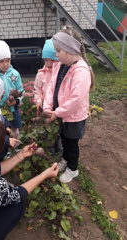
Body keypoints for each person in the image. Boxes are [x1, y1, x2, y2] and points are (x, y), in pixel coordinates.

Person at [43, 26, 94, 183]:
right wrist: (47, 107)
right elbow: (51, 87)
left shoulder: (81, 71)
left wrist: (57, 113)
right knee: (64, 139)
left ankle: (73, 169)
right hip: (61, 114)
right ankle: (65, 160)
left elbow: (76, 100)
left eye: (59, 51)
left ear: (70, 49)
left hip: (73, 117)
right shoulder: (60, 65)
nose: (56, 55)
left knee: (72, 144)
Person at [0, 40, 24, 148]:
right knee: (1, 129)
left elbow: (21, 90)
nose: (5, 64)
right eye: (1, 61)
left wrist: (16, 101)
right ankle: (4, 148)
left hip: (13, 109)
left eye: (8, 60)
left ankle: (15, 146)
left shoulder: (14, 74)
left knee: (15, 128)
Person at [34, 39, 62, 154]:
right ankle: (49, 145)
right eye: (46, 60)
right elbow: (37, 90)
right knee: (47, 126)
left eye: (53, 61)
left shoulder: (61, 73)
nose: (49, 63)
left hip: (59, 107)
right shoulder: (41, 74)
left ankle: (58, 144)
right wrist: (39, 101)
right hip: (46, 107)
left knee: (59, 127)